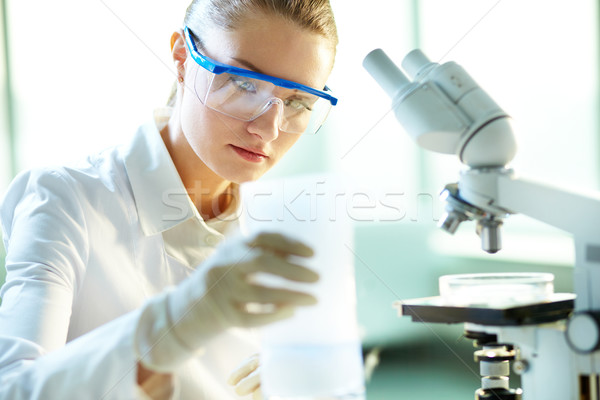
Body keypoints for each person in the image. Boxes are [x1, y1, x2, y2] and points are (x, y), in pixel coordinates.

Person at [0, 0, 339, 398]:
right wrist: (173, 325)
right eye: (244, 83)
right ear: (182, 58)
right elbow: (14, 389)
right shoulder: (64, 199)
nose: (267, 128)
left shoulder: (276, 226)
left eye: (299, 101)